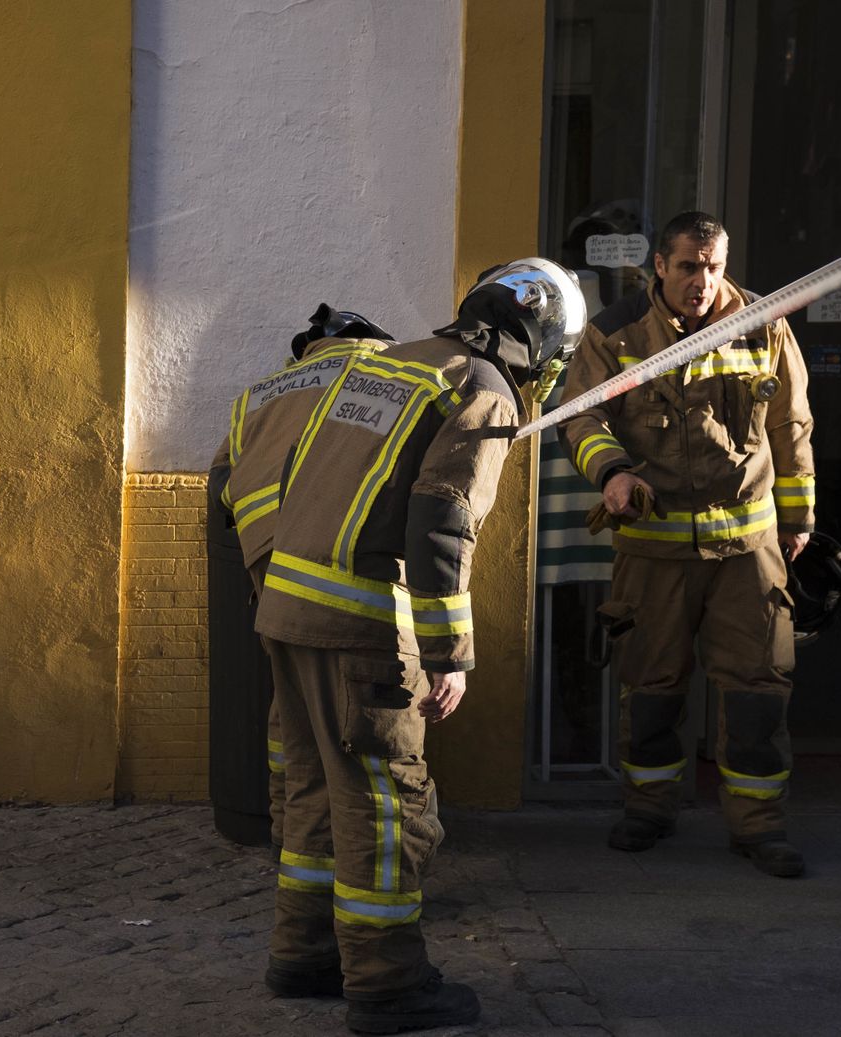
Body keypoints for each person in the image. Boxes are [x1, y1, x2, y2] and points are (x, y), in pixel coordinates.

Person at [249, 260, 585, 1033]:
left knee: (311, 792)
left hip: (290, 609)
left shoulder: (396, 361)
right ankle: (386, 981)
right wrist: (448, 652)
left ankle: (301, 953)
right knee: (382, 803)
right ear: (542, 340)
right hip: (362, 628)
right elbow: (442, 523)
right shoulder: (483, 389)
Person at [557, 211, 816, 877]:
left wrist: (798, 520)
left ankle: (760, 823)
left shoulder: (763, 323)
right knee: (651, 687)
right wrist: (611, 473)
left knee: (759, 691)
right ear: (659, 270)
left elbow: (790, 423)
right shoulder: (614, 333)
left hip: (745, 550)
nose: (704, 281)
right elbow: (581, 415)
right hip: (653, 551)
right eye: (689, 268)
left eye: (714, 267)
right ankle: (649, 808)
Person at [209, 306, 397, 851]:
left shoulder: (261, 394)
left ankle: (295, 844)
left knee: (290, 717)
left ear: (309, 347)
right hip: (353, 564)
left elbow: (224, 483)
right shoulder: (390, 377)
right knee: (362, 721)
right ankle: (361, 853)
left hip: (271, 570)